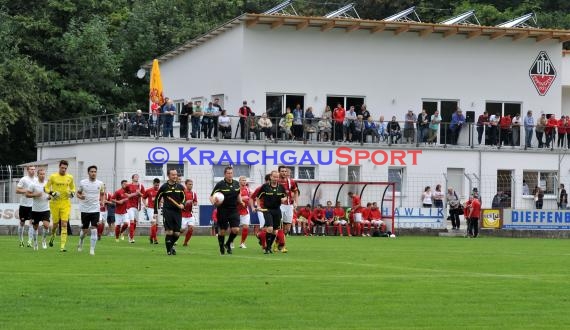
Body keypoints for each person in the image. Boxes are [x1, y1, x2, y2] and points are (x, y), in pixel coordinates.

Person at [249, 170, 287, 254]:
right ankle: (265, 247)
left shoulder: (281, 187)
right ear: (270, 177)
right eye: (274, 177)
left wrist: (284, 199)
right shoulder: (265, 187)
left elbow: (285, 197)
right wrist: (258, 206)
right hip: (267, 209)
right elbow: (258, 197)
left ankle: (268, 247)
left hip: (277, 210)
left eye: (277, 177)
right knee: (269, 228)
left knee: (275, 231)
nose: (275, 178)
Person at [44, 160, 75, 252]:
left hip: (65, 203)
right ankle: (53, 235)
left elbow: (73, 188)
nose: (64, 169)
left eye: (65, 168)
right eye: (62, 168)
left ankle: (62, 246)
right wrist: (52, 193)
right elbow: (45, 188)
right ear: (59, 167)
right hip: (55, 204)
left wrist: (72, 193)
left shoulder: (70, 177)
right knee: (55, 224)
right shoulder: (53, 177)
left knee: (64, 223)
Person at [210, 166, 242, 255]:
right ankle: (221, 247)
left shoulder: (236, 183)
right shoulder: (220, 184)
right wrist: (214, 202)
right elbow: (212, 196)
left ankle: (228, 244)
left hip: (234, 210)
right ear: (224, 174)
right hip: (223, 210)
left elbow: (238, 194)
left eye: (231, 173)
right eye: (228, 173)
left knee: (235, 229)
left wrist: (241, 201)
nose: (230, 175)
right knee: (222, 231)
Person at [154, 169, 185, 255]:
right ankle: (169, 251)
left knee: (177, 233)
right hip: (167, 211)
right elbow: (157, 199)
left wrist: (183, 204)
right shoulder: (164, 187)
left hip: (177, 212)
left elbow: (184, 198)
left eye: (176, 175)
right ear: (168, 176)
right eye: (173, 175)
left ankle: (171, 246)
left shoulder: (180, 187)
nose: (175, 176)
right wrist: (155, 212)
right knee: (170, 232)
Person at [76, 165, 105, 255]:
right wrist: (81, 196)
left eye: (95, 172)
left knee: (94, 229)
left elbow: (102, 194)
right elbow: (78, 194)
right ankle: (80, 242)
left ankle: (92, 249)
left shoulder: (100, 183)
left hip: (95, 209)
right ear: (88, 173)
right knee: (84, 232)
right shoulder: (83, 183)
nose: (93, 173)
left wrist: (102, 202)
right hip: (85, 210)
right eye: (91, 172)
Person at [25, 167, 50, 250]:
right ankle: (35, 242)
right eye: (41, 174)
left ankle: (43, 240)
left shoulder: (47, 184)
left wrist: (50, 197)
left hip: (45, 209)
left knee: (46, 225)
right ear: (38, 175)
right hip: (35, 210)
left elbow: (50, 194)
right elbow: (27, 194)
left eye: (43, 174)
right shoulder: (33, 184)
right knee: (35, 227)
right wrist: (35, 195)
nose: (42, 175)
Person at [278, 166, 298, 253]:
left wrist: (296, 202)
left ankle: (277, 243)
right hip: (279, 206)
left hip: (289, 206)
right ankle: (282, 246)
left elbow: (296, 191)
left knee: (287, 228)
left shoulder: (291, 182)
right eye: (282, 171)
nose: (284, 173)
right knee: (280, 226)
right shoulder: (276, 181)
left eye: (285, 171)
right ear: (279, 172)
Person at [16, 165, 36, 247]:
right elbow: (17, 190)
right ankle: (21, 241)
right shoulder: (24, 179)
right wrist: (27, 191)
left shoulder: (36, 180)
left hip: (33, 205)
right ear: (28, 170)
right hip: (23, 205)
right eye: (31, 169)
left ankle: (29, 242)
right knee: (22, 223)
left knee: (31, 223)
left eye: (34, 169)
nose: (33, 171)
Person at [126, 174, 145, 244]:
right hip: (129, 206)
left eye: (138, 177)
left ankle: (130, 234)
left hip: (137, 206)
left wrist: (139, 193)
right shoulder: (128, 186)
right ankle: (131, 238)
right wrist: (134, 194)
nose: (137, 178)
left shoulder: (140, 186)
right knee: (131, 221)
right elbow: (127, 195)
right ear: (132, 178)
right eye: (135, 177)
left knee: (135, 223)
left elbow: (144, 195)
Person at [181, 179, 198, 247]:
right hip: (182, 214)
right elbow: (179, 202)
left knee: (191, 228)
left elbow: (195, 202)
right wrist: (186, 203)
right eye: (189, 184)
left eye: (192, 184)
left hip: (190, 214)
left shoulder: (193, 194)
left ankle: (185, 242)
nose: (191, 186)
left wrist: (194, 203)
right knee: (181, 230)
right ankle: (174, 239)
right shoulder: (182, 193)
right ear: (186, 184)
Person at [143, 178, 160, 244]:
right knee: (153, 223)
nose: (157, 186)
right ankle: (155, 239)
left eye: (158, 185)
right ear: (153, 184)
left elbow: (163, 199)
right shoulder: (148, 190)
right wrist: (145, 204)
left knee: (157, 225)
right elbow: (143, 198)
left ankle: (151, 237)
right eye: (156, 185)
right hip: (150, 209)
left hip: (158, 209)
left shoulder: (160, 191)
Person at [237, 176, 251, 248]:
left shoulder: (248, 190)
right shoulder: (236, 189)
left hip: (245, 210)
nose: (244, 181)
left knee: (246, 227)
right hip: (236, 210)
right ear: (239, 181)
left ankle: (242, 243)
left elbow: (251, 198)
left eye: (245, 180)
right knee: (235, 228)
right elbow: (233, 199)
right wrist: (242, 198)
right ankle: (231, 242)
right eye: (242, 180)